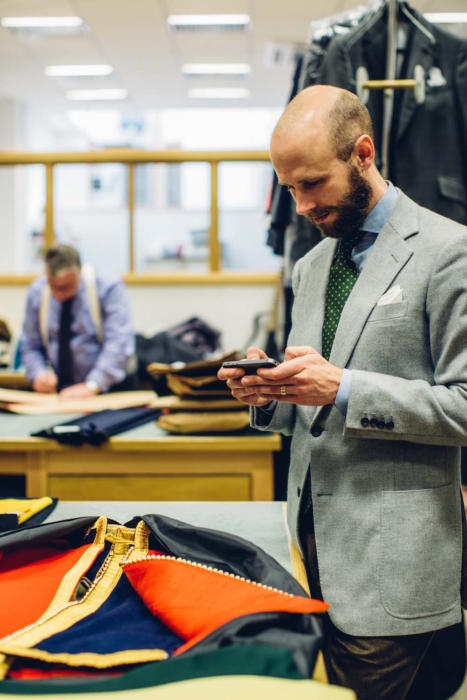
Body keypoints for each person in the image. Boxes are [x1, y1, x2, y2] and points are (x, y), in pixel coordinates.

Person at [219, 85, 467, 699]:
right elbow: (312, 411)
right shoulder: (311, 267)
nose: (300, 206)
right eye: (288, 189)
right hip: (311, 555)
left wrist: (345, 387)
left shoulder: (448, 254)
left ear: (363, 153)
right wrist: (268, 392)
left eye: (311, 184)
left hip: (395, 570)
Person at [21, 243, 135, 397]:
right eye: (55, 287)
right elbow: (30, 344)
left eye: (67, 287)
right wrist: (38, 374)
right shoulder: (37, 292)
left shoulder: (108, 288)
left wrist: (92, 385)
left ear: (79, 272)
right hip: (61, 392)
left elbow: (119, 342)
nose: (60, 294)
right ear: (47, 275)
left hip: (107, 387)